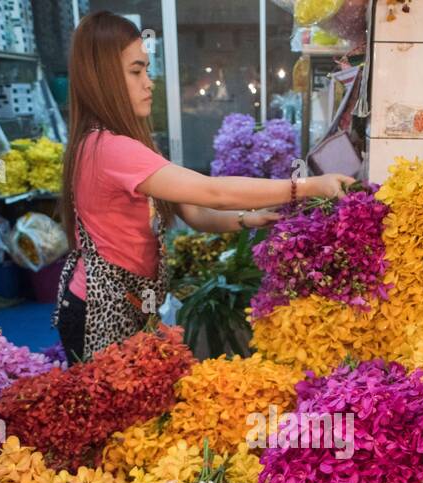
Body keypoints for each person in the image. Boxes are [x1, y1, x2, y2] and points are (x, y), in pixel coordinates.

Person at [56, 11, 354, 363]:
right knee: (117, 410)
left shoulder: (123, 143)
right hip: (100, 310)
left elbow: (195, 213)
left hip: (126, 302)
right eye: (136, 71)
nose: (148, 83)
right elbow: (213, 192)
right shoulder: (108, 148)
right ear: (102, 78)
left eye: (147, 70)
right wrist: (307, 186)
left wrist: (248, 219)